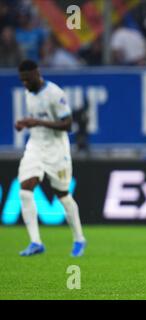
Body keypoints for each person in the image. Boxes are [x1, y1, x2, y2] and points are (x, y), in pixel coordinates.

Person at [15, 60, 86, 257]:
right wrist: (26, 124)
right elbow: (36, 120)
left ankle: (79, 238)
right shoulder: (28, 92)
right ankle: (36, 242)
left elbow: (68, 125)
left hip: (57, 150)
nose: (25, 84)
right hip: (35, 147)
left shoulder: (55, 94)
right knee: (25, 190)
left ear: (37, 73)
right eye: (22, 81)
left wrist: (36, 121)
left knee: (62, 195)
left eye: (27, 79)